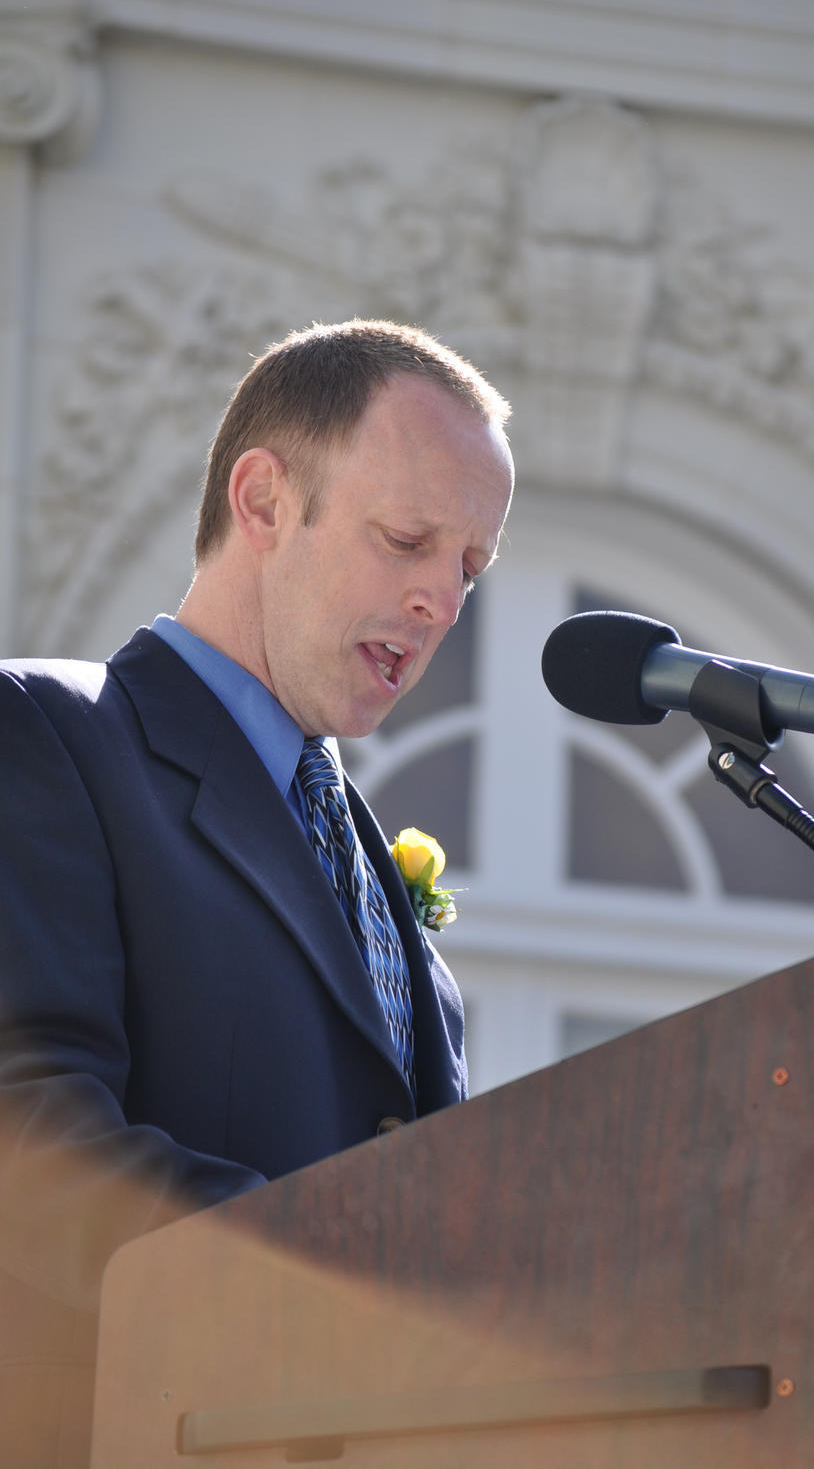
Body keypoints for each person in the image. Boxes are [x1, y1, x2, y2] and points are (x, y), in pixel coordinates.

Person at [0, 319, 515, 1468]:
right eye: (407, 538)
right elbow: (27, 1143)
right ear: (266, 501)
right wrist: (345, 1298)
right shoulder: (46, 736)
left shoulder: (388, 896)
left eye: (469, 567)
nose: (441, 600)